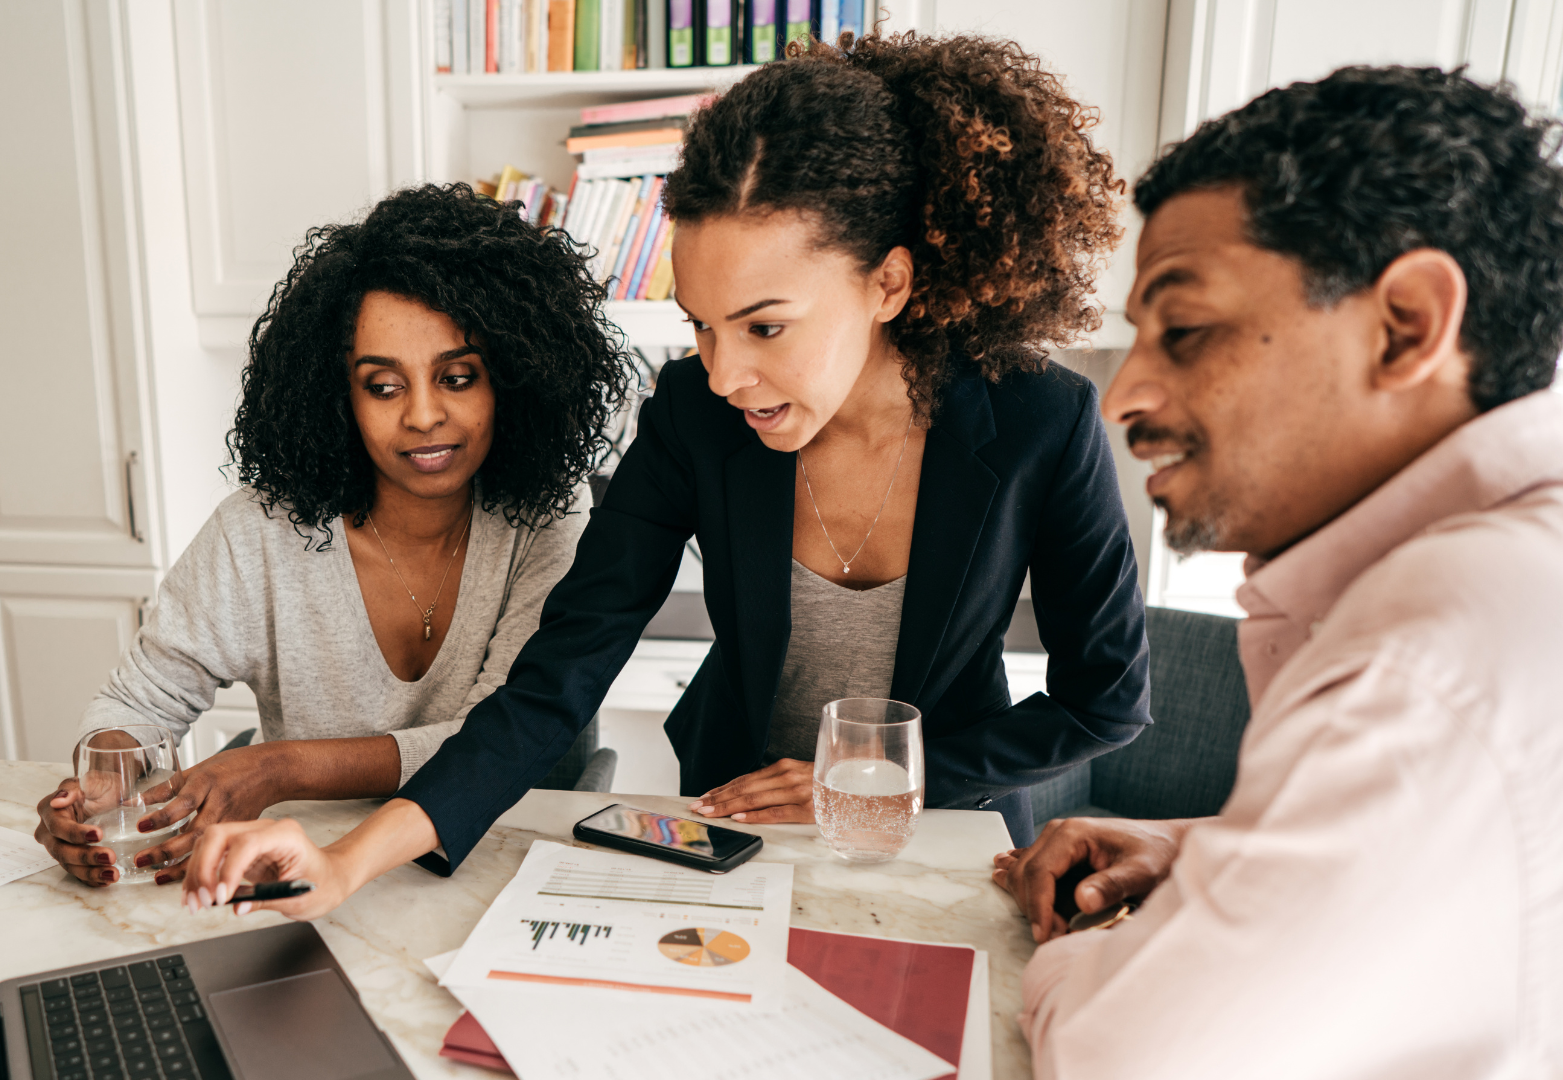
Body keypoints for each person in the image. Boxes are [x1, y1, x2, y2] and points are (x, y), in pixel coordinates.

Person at [180, 33, 1152, 918]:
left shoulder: (1039, 421)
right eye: (700, 323)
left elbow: (1104, 700)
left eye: (765, 325)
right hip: (729, 818)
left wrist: (886, 778)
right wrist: (350, 860)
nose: (725, 374)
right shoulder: (694, 411)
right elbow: (556, 680)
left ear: (888, 284)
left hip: (930, 823)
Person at [988, 66, 1563, 1076]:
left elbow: (1123, 1059)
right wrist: (1206, 858)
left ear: (1407, 324)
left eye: (1186, 330)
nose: (1123, 397)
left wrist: (1094, 960)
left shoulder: (1427, 649)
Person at [32, 184, 627, 886]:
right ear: (336, 395)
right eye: (383, 386)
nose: (424, 416)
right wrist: (102, 783)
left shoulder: (546, 518)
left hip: (499, 860)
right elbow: (138, 703)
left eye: (458, 377)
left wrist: (278, 764)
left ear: (514, 381)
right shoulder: (259, 530)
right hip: (302, 868)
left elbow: (502, 736)